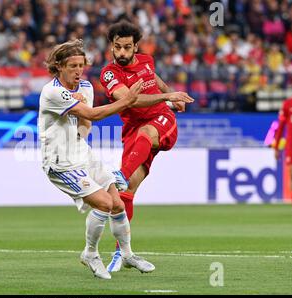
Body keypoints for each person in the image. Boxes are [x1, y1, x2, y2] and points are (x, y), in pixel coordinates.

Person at [38, 39, 156, 279]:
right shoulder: (52, 92)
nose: (78, 70)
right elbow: (93, 113)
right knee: (104, 203)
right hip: (61, 163)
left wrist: (79, 133)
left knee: (119, 204)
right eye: (72, 66)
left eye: (81, 65)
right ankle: (90, 253)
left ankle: (127, 254)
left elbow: (86, 122)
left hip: (82, 154)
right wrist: (127, 100)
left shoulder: (85, 87)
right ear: (59, 66)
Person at [99, 20, 194, 272]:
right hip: (133, 132)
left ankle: (119, 175)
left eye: (127, 47)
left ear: (135, 47)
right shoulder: (109, 74)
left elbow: (155, 79)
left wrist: (170, 93)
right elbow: (130, 100)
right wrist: (169, 96)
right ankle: (123, 252)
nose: (121, 52)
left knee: (145, 133)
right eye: (117, 47)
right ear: (111, 46)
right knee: (126, 193)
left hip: (162, 121)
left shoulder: (147, 60)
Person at [274, 97, 292, 200]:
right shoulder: (288, 104)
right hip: (291, 143)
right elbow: (281, 126)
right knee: (291, 172)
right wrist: (277, 147)